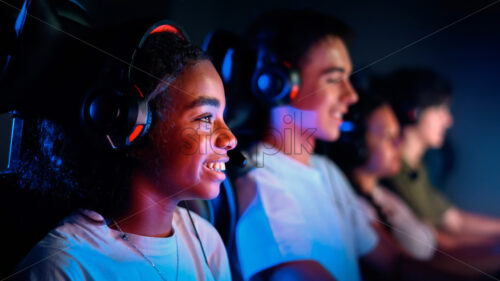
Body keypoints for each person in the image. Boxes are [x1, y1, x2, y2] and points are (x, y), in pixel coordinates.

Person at [13, 23, 236, 281]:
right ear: (130, 127)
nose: (230, 138)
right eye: (205, 118)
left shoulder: (207, 242)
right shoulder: (63, 267)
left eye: (223, 116)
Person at [234, 10, 399, 281]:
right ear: (278, 85)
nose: (352, 95)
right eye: (334, 79)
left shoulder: (327, 171)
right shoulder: (261, 180)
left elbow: (395, 263)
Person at [380, 68, 500, 249]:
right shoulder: (394, 172)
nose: (448, 120)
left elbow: (455, 220)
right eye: (439, 109)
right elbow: (440, 244)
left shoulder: (417, 169)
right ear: (413, 112)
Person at [330, 94, 437, 261]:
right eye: (389, 137)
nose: (399, 145)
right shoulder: (359, 207)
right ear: (359, 146)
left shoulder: (384, 195)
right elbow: (397, 266)